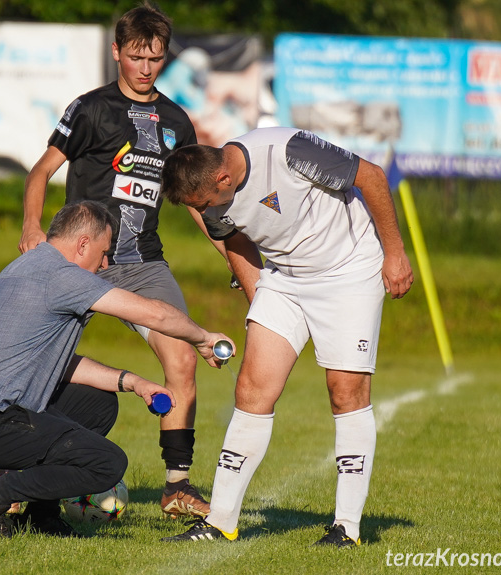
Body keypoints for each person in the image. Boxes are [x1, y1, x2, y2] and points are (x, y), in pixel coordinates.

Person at [158, 127, 414, 546]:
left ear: (223, 179)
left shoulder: (288, 151)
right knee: (252, 388)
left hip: (348, 272)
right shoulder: (210, 198)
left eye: (201, 204)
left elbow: (371, 177)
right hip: (283, 278)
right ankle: (220, 521)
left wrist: (395, 252)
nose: (201, 213)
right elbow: (235, 240)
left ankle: (347, 529)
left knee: (345, 392)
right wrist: (261, 300)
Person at [19, 1, 211, 518]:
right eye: (135, 56)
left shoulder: (175, 121)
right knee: (40, 364)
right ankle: (12, 480)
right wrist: (32, 228)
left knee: (184, 360)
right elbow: (39, 173)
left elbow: (194, 198)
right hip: (80, 261)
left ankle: (177, 485)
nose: (146, 68)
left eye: (156, 58)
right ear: (116, 53)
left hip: (144, 263)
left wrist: (229, 252)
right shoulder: (90, 108)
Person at [0, 201, 234, 538]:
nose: (106, 262)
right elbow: (155, 314)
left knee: (99, 402)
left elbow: (60, 365)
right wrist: (203, 338)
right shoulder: (60, 276)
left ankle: (42, 514)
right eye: (104, 251)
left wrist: (133, 382)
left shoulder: (30, 267)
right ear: (83, 244)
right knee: (106, 463)